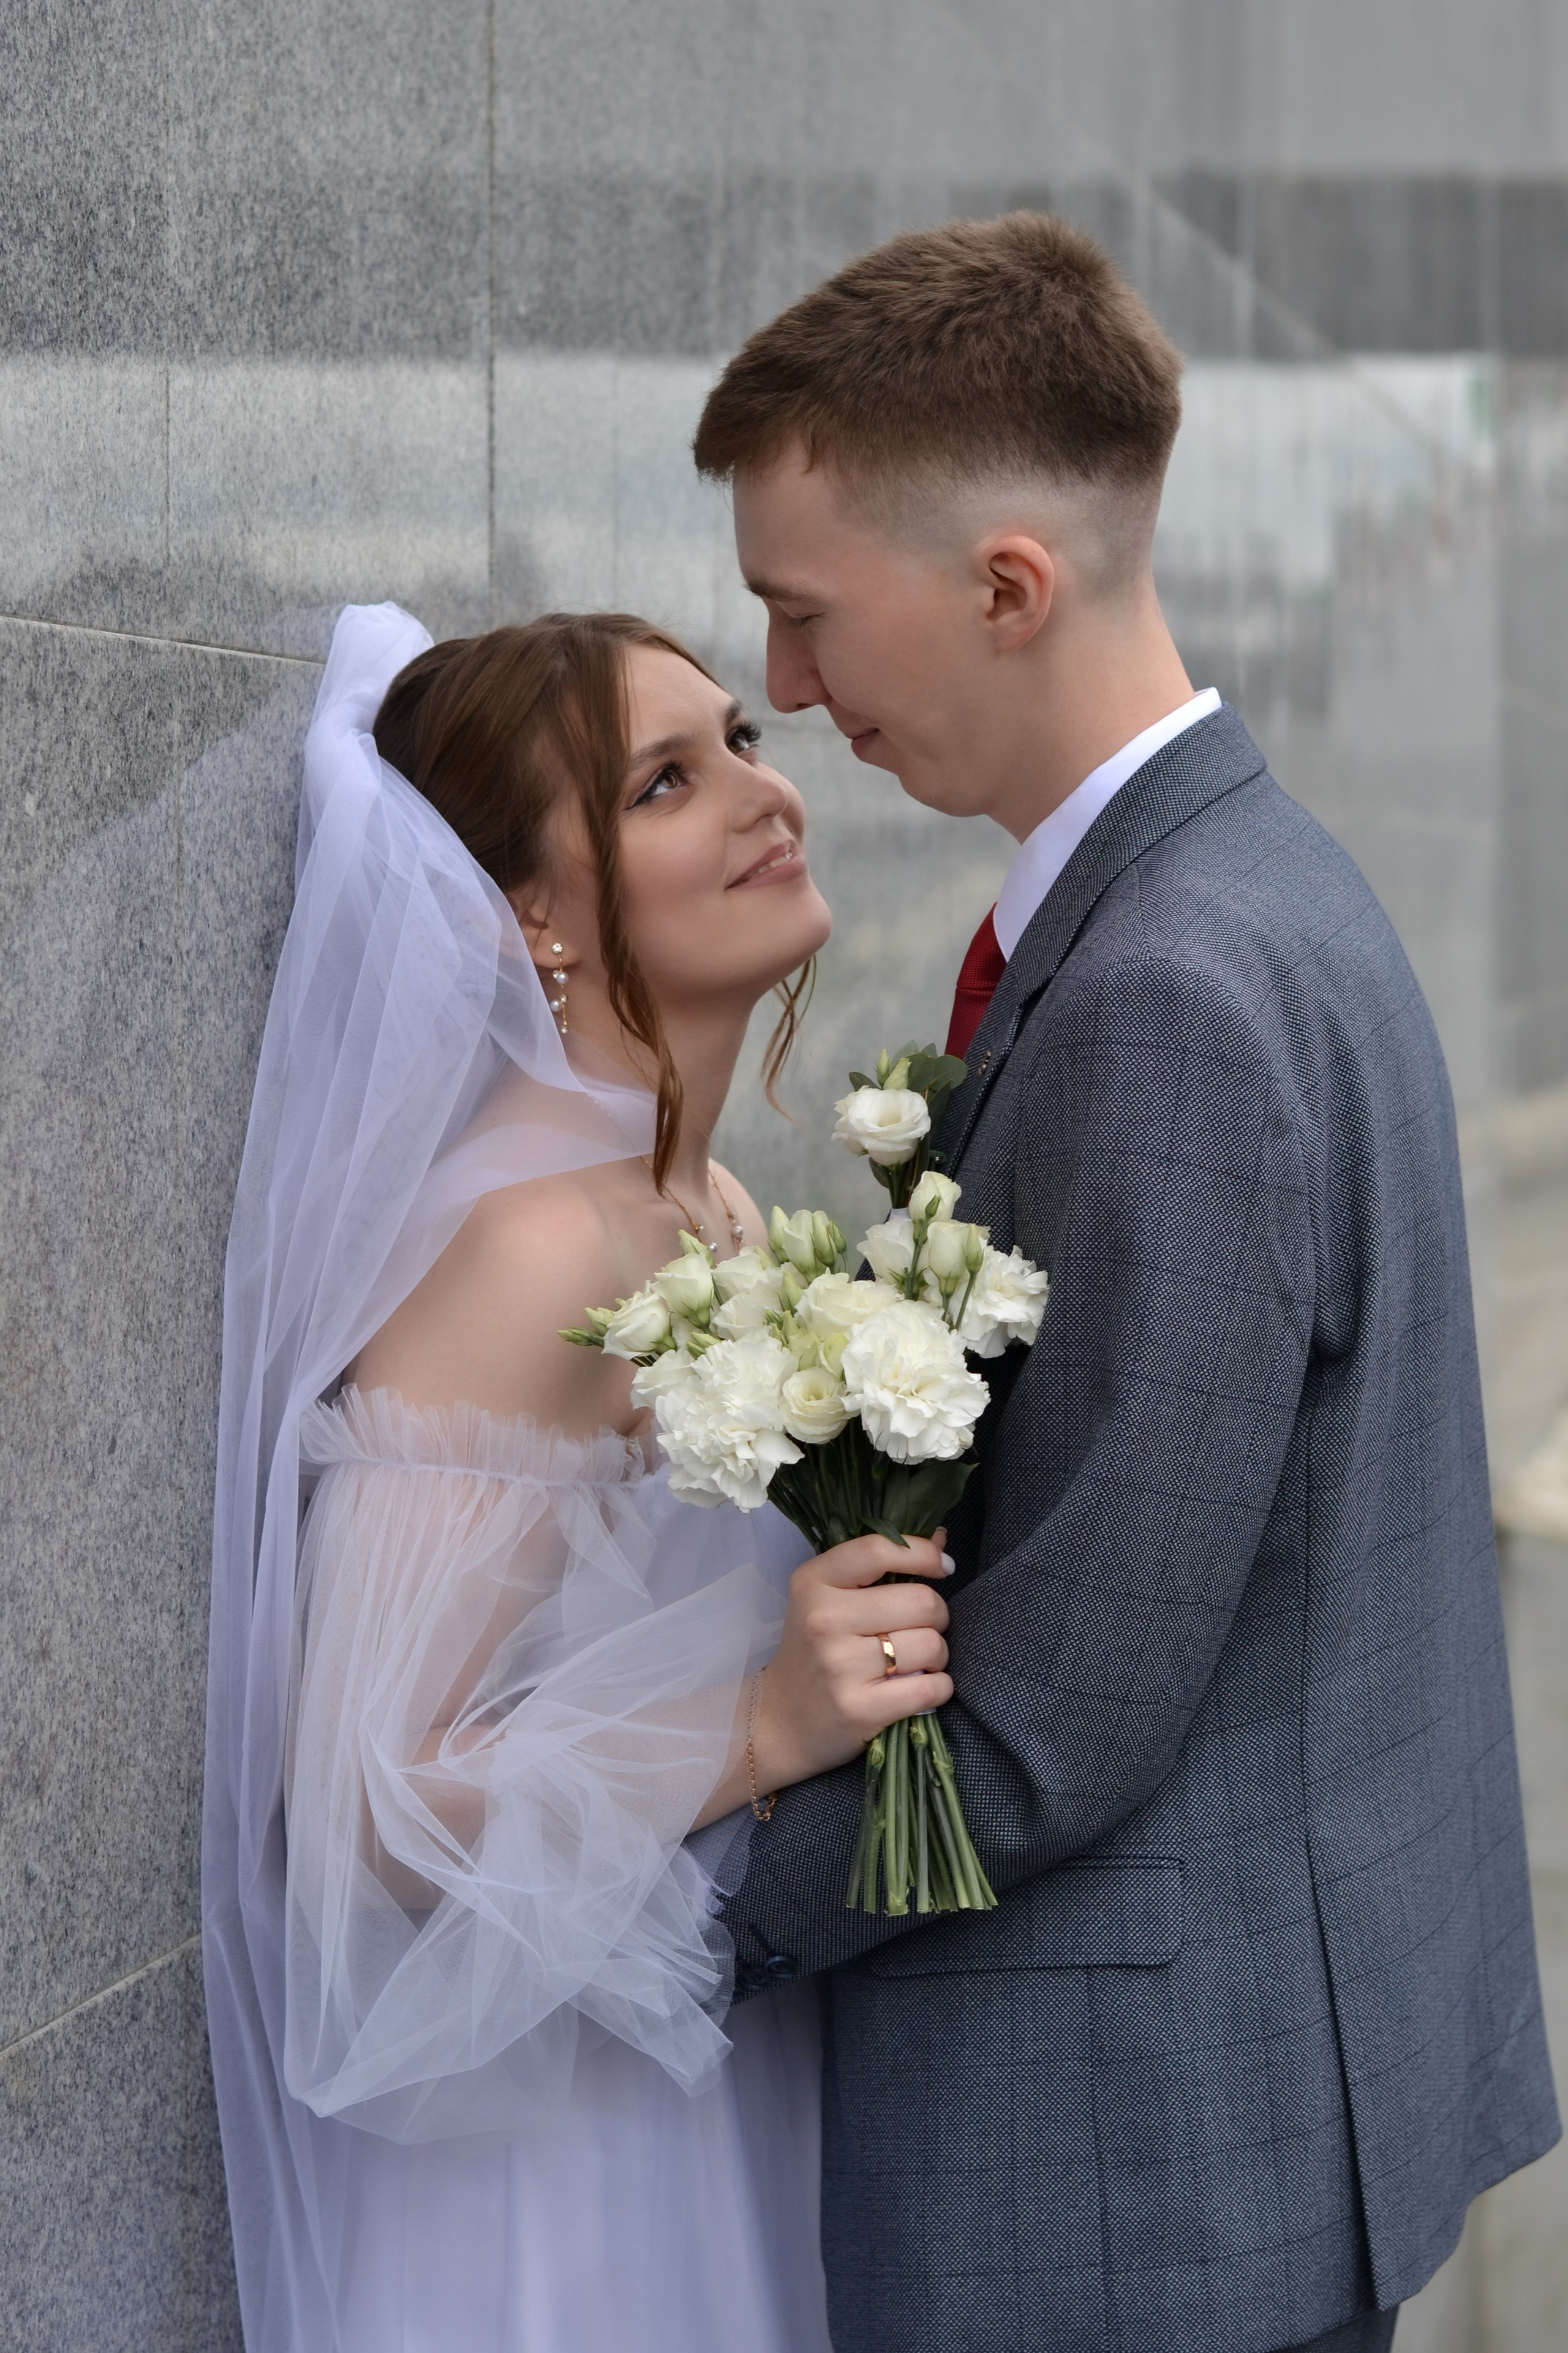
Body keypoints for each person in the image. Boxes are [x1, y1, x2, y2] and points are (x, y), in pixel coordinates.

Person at [691, 211, 1561, 2353]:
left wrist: (653, 1914)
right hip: (1227, 2118)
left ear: (1007, 582)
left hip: (1118, 2187)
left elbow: (1047, 1721)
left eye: (803, 618)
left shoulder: (1170, 987)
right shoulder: (1253, 881)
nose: (787, 693)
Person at [202, 602, 956, 2352]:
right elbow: (365, 1806)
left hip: (701, 2074)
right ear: (527, 917)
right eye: (669, 780)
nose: (764, 793)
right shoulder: (538, 1245)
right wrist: (761, 1724)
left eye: (744, 746)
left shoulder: (711, 1210)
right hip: (557, 2174)